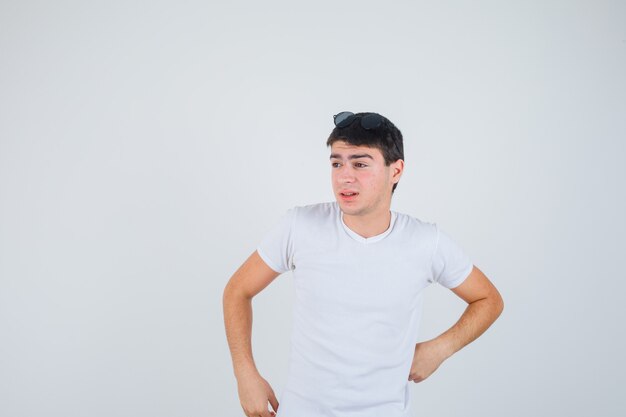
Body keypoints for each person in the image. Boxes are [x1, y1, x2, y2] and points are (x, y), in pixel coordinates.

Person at [223, 111, 504, 417]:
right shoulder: (300, 227)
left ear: (395, 171)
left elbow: (489, 299)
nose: (344, 176)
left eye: (360, 164)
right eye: (336, 163)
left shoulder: (425, 241)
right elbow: (238, 290)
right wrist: (244, 372)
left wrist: (441, 348)